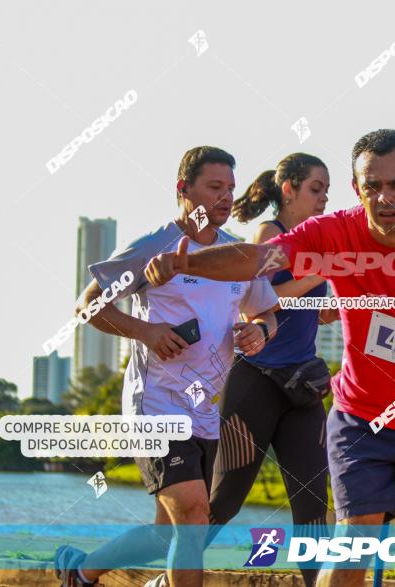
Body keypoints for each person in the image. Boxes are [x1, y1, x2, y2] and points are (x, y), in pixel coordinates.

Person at [144, 129, 395, 587]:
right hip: (363, 419)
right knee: (355, 543)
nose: (384, 197)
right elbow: (260, 260)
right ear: (356, 189)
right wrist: (188, 263)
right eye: (372, 186)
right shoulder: (334, 232)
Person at [53, 146, 279, 587]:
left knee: (168, 533)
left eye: (230, 188)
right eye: (214, 187)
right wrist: (147, 332)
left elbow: (266, 312)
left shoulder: (234, 253)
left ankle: (80, 570)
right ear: (183, 190)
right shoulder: (152, 247)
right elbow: (87, 307)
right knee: (193, 517)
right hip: (156, 403)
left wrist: (261, 332)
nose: (225, 197)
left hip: (207, 410)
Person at [206, 153, 335, 587]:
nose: (323, 199)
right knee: (225, 500)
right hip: (256, 383)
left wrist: (327, 306)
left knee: (313, 505)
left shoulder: (316, 243)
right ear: (289, 190)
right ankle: (170, 574)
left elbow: (306, 304)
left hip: (301, 388)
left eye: (326, 192)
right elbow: (267, 299)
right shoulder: (269, 234)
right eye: (316, 190)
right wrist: (317, 274)